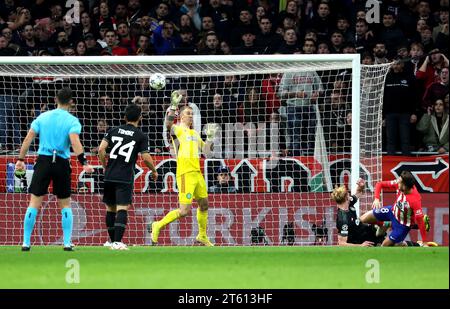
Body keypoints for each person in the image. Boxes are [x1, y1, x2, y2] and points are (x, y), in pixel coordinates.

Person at [15, 88, 94, 251]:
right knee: (65, 204)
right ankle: (66, 243)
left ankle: (26, 242)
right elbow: (74, 142)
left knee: (34, 203)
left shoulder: (43, 117)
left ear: (55, 100)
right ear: (72, 102)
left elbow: (29, 137)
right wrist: (84, 162)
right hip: (61, 162)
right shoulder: (72, 121)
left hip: (43, 161)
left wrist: (20, 159)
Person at [148, 91, 216, 246]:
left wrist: (210, 138)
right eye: (188, 113)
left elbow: (206, 152)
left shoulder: (194, 133)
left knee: (204, 204)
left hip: (197, 173)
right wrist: (173, 106)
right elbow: (168, 124)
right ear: (182, 116)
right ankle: (157, 225)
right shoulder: (177, 130)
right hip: (185, 173)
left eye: (192, 113)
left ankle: (202, 236)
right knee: (184, 211)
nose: (191, 116)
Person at [98, 104, 158, 250]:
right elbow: (145, 157)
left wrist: (105, 166)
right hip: (124, 176)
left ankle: (112, 241)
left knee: (110, 209)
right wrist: (154, 170)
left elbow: (101, 149)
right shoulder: (140, 135)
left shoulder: (113, 130)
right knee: (122, 208)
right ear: (140, 118)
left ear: (124, 117)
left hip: (109, 174)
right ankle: (118, 242)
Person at [359, 171, 429, 247]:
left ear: (405, 186)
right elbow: (380, 184)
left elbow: (420, 221)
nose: (397, 183)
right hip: (391, 211)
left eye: (399, 182)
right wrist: (376, 199)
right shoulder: (399, 183)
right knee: (362, 219)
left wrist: (425, 242)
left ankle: (418, 244)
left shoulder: (415, 200)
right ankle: (386, 224)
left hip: (402, 225)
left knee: (385, 246)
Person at [333, 178, 384, 247]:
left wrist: (361, 186)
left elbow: (359, 192)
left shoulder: (349, 202)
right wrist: (360, 245)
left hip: (366, 231)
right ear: (346, 197)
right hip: (361, 240)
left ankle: (380, 228)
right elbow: (342, 243)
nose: (349, 194)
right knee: (395, 244)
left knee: (384, 219)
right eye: (348, 194)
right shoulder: (343, 220)